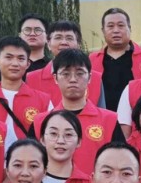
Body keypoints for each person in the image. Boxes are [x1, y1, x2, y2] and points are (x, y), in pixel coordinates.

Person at [0, 35, 55, 183]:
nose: (15, 63)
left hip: (28, 173)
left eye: (21, 59)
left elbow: (50, 139)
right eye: (9, 57)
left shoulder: (43, 100)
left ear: (28, 63)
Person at [50, 47, 119, 175]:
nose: (73, 79)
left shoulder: (109, 120)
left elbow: (120, 162)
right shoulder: (41, 122)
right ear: (55, 78)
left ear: (90, 77)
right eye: (65, 74)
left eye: (80, 73)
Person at [27, 21, 105, 106]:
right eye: (58, 37)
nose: (63, 42)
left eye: (69, 38)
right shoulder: (32, 79)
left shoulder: (95, 78)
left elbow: (101, 113)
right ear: (48, 44)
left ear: (78, 45)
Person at [40, 109, 96, 183]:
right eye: (53, 134)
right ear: (42, 139)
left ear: (79, 142)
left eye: (68, 134)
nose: (60, 141)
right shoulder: (29, 179)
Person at [94, 6, 141, 117]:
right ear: (103, 31)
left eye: (121, 25)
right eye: (110, 26)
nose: (116, 30)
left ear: (129, 28)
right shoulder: (92, 60)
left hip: (136, 119)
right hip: (102, 120)